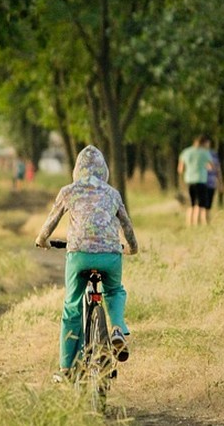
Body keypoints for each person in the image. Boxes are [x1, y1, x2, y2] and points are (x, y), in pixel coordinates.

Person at [35, 145, 139, 382]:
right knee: (114, 290)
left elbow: (50, 223)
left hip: (79, 256)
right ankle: (116, 329)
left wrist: (42, 240)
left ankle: (66, 368)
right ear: (104, 170)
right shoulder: (113, 193)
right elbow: (127, 226)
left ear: (76, 170)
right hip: (110, 256)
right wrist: (132, 248)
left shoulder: (69, 191)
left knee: (72, 306)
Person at [177, 135, 213, 226]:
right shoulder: (205, 153)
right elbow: (211, 166)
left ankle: (189, 224)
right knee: (200, 204)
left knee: (191, 204)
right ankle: (197, 224)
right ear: (203, 143)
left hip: (189, 180)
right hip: (201, 180)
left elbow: (180, 169)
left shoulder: (186, 152)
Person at [203, 137, 223, 224]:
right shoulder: (199, 155)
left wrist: (220, 182)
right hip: (201, 182)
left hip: (211, 182)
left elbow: (218, 169)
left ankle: (207, 222)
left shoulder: (214, 154)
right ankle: (203, 221)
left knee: (208, 204)